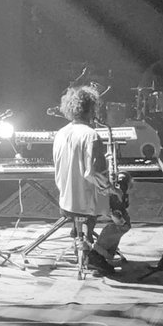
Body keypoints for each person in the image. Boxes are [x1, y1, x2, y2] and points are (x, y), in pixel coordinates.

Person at [53, 85, 131, 275]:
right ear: (91, 109)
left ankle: (80, 237)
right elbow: (92, 173)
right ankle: (98, 254)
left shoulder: (60, 133)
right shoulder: (91, 135)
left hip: (66, 201)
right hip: (87, 203)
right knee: (123, 215)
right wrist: (113, 189)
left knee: (109, 194)